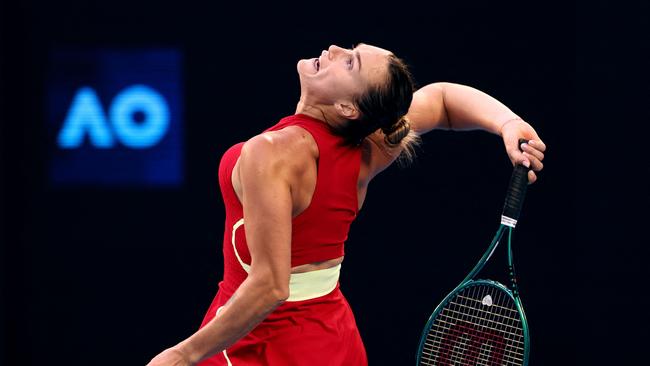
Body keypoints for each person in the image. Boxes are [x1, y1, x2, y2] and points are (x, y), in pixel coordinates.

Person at [147, 43, 546, 366]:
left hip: (258, 340)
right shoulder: (373, 145)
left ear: (348, 108)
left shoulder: (271, 154)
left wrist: (183, 354)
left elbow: (269, 286)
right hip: (332, 340)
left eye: (350, 62)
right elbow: (441, 100)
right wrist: (507, 122)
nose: (335, 48)